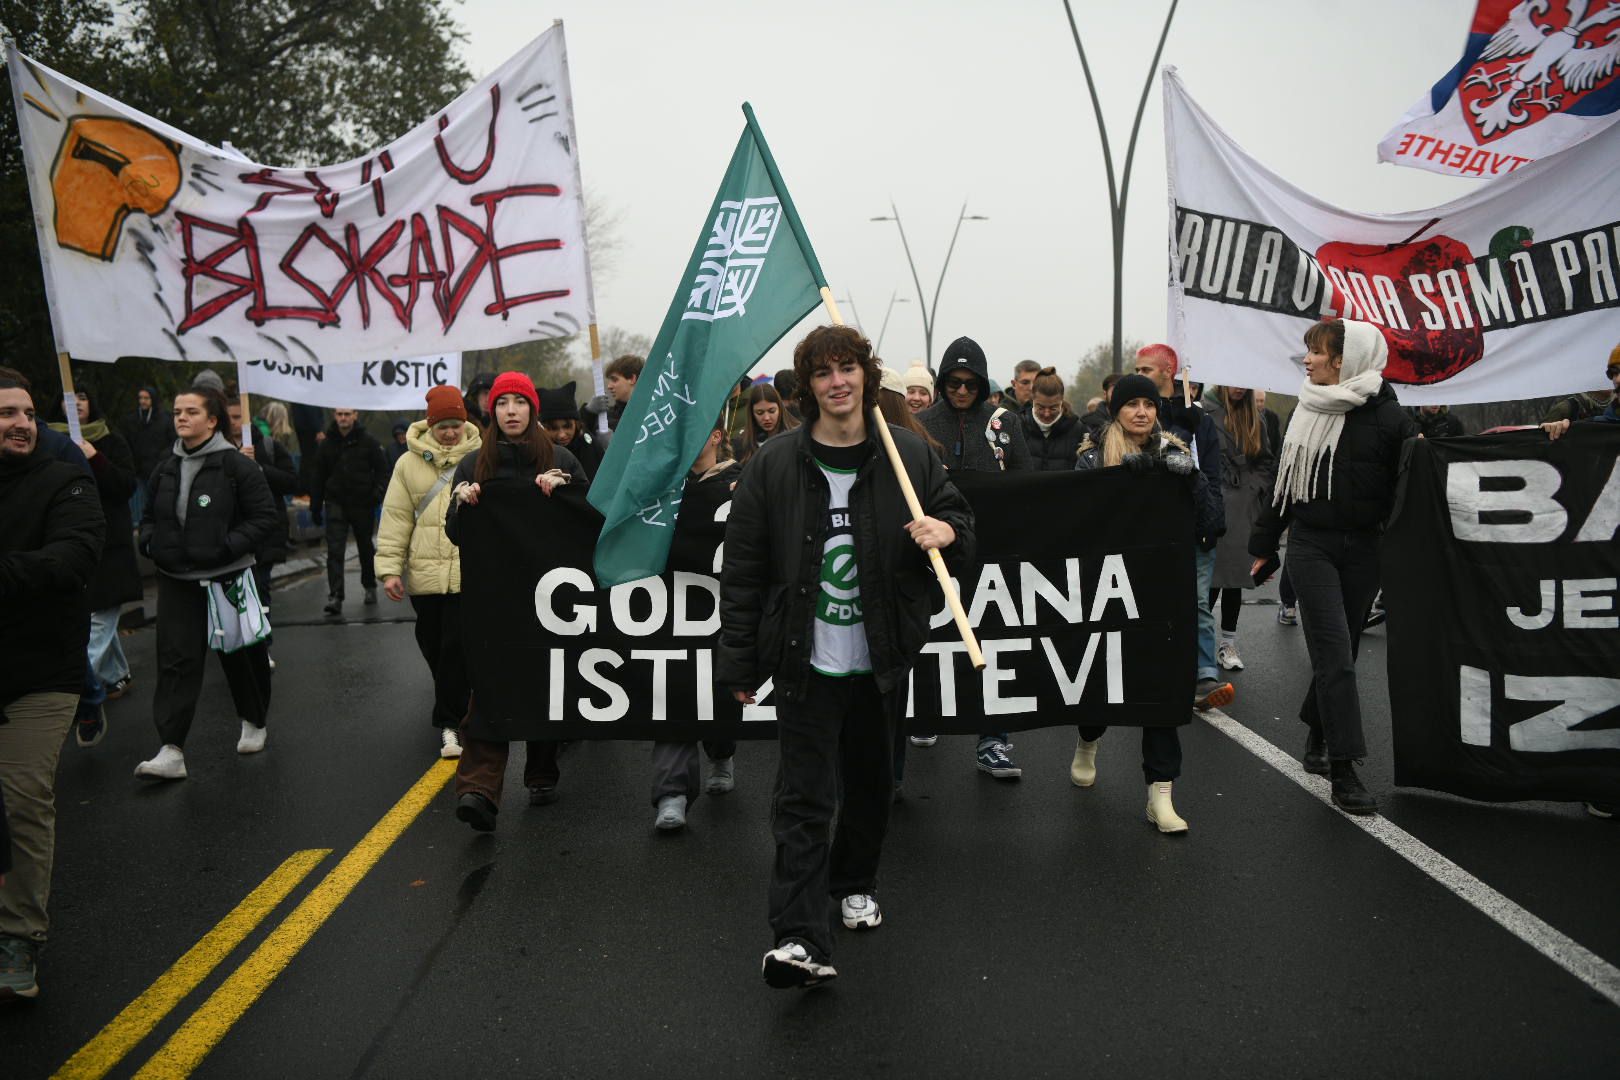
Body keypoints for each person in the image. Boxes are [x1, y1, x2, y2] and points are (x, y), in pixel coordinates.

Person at [718, 325, 974, 989]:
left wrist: (945, 530)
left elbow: (961, 522)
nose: (838, 382)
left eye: (848, 368)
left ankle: (855, 881)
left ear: (867, 375)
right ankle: (799, 937)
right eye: (824, 372)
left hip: (881, 659)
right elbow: (743, 571)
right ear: (807, 387)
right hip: (806, 661)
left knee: (869, 789)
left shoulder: (908, 456)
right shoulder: (773, 465)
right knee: (803, 799)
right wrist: (740, 663)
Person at [1250, 319, 1417, 816]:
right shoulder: (1307, 405)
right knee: (1334, 654)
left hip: (1366, 551)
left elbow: (1421, 477)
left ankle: (1316, 730)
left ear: (1345, 359)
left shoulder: (1392, 418)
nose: (1308, 360)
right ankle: (1344, 768)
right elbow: (1285, 481)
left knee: (1338, 652)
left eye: (1316, 352)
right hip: (1311, 545)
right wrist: (1264, 543)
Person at [0, 366, 105, 1003]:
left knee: (19, 796)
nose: (18, 422)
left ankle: (17, 937)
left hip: (41, 674)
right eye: (3, 413)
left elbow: (73, 558)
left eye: (25, 411)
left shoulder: (65, 479)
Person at [445, 371, 587, 831]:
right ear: (492, 412)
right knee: (489, 684)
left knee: (547, 677)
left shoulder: (562, 457)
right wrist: (461, 505)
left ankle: (542, 768)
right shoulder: (472, 465)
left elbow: (588, 518)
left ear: (532, 410)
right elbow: (455, 532)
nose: (510, 410)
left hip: (552, 596)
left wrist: (563, 489)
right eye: (502, 402)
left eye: (519, 402)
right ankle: (479, 789)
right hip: (493, 598)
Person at [1071, 374, 1207, 833]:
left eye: (1150, 404)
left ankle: (1161, 793)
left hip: (1161, 590)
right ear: (1117, 410)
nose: (1142, 412)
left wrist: (1191, 481)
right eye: (1132, 405)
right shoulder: (1091, 459)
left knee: (1161, 689)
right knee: (1100, 680)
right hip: (1107, 591)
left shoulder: (1177, 454)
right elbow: (1075, 525)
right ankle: (1088, 740)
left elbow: (1211, 522)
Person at [134, 384, 280, 781]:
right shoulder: (166, 467)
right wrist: (151, 543)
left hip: (228, 577)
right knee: (177, 661)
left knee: (242, 657)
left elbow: (264, 517)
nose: (181, 417)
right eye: (178, 411)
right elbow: (148, 516)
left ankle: (254, 720)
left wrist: (226, 548)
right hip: (177, 580)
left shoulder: (236, 466)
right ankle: (171, 749)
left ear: (212, 420)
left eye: (191, 411)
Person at [915, 335, 1030, 777]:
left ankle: (993, 739)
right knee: (929, 636)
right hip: (934, 553)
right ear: (942, 381)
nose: (961, 391)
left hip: (993, 552)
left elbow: (1024, 482)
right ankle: (924, 714)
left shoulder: (1006, 423)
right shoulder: (920, 421)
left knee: (994, 645)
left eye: (970, 383)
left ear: (982, 384)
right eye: (953, 382)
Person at [375, 385, 483, 761]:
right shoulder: (407, 463)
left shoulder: (481, 457)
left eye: (456, 424)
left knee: (455, 645)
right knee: (433, 644)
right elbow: (396, 517)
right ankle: (459, 697)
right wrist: (389, 569)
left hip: (468, 572)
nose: (450, 432)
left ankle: (450, 723)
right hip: (424, 576)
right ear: (431, 426)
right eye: (443, 426)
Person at [649, 416, 740, 830]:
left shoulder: (743, 480)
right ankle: (672, 792)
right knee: (673, 691)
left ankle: (721, 753)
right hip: (670, 607)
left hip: (725, 609)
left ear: (717, 436)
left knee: (721, 689)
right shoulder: (663, 487)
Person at [1133, 344, 1232, 712]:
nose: (1138, 375)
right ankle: (1154, 668)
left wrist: (1212, 522)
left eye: (1145, 370)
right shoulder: (1139, 415)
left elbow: (1211, 474)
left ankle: (1204, 673)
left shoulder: (1200, 421)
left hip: (1191, 523)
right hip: (1151, 526)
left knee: (1198, 601)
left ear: (1167, 372)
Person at [55, 388, 141, 736]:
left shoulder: (110, 439)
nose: (75, 404)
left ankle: (72, 692)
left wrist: (94, 457)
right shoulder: (54, 441)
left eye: (83, 398)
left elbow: (124, 485)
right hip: (74, 541)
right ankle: (115, 675)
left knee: (101, 619)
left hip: (110, 544)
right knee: (99, 615)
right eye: (68, 399)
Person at [1203, 386, 1277, 672]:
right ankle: (1197, 642)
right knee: (1207, 580)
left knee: (1234, 580)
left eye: (1242, 383)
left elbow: (1266, 461)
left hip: (1242, 505)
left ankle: (1228, 643)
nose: (1236, 388)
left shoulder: (1255, 417)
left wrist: (1253, 487)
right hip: (1212, 502)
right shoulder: (1204, 413)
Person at [226, 393, 296, 668]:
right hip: (229, 534)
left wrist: (258, 467)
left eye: (237, 417)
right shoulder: (213, 448)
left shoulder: (267, 445)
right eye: (228, 417)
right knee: (233, 595)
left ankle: (262, 646)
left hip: (263, 535)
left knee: (260, 590)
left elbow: (291, 481)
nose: (233, 423)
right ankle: (237, 646)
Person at [310, 407, 388, 616]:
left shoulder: (368, 442)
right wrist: (315, 506)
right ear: (335, 416)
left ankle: (369, 586)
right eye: (339, 414)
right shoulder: (327, 445)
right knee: (335, 551)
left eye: (347, 414)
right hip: (336, 503)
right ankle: (335, 595)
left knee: (365, 547)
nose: (343, 418)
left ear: (355, 415)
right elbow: (318, 476)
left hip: (363, 503)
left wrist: (377, 493)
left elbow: (382, 470)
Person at [119, 385, 170, 523]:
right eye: (140, 398)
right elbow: (125, 442)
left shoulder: (164, 419)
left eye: (146, 398)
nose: (143, 401)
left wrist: (162, 459)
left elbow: (171, 442)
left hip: (158, 469)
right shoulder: (131, 420)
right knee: (138, 506)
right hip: (138, 470)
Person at [1541, 352, 1620, 439]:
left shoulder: (1615, 405)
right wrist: (1550, 428)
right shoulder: (1567, 408)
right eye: (1613, 373)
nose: (1615, 378)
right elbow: (1541, 439)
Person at [1020, 367, 1085, 471]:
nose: (1046, 414)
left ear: (1062, 401)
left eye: (1053, 408)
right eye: (1040, 408)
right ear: (1032, 399)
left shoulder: (1078, 430)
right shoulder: (1018, 426)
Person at [537, 382, 604, 480]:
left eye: (567, 426)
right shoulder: (538, 453)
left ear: (576, 423)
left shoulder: (590, 445)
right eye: (553, 428)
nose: (562, 435)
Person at [732, 382, 799, 465]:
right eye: (760, 412)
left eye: (772, 411)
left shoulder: (798, 436)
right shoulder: (740, 445)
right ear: (752, 414)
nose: (766, 418)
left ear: (780, 409)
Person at [581, 355, 642, 433]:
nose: (609, 386)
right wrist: (588, 413)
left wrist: (613, 441)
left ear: (632, 379)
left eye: (614, 380)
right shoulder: (605, 417)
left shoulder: (650, 414)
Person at [1078, 372, 1120, 439]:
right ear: (1105, 394)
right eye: (1114, 392)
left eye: (1123, 392)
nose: (1119, 396)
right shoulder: (1086, 423)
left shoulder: (1132, 422)